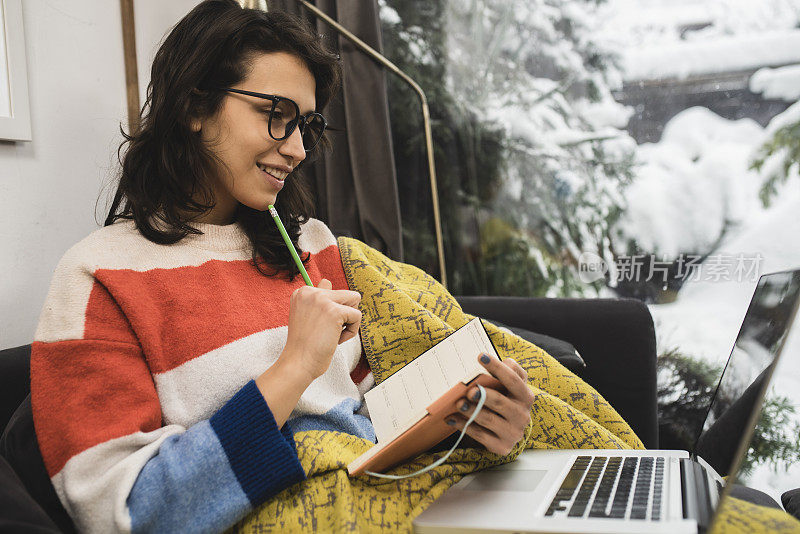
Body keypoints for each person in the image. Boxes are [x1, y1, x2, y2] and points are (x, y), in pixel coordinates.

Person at [30, 1, 535, 532]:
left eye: (305, 126)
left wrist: (476, 423)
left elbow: (368, 427)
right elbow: (131, 513)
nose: (296, 149)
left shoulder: (312, 247)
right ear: (193, 105)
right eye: (275, 114)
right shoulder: (98, 278)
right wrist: (293, 368)